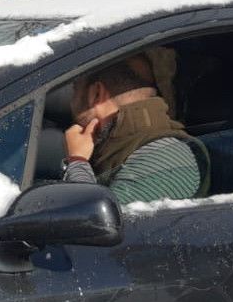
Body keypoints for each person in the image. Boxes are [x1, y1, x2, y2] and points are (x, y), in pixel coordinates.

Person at [61, 57, 204, 203]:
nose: (71, 101)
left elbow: (89, 220)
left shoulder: (159, 161)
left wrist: (77, 161)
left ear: (97, 93)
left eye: (75, 89)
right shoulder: (126, 148)